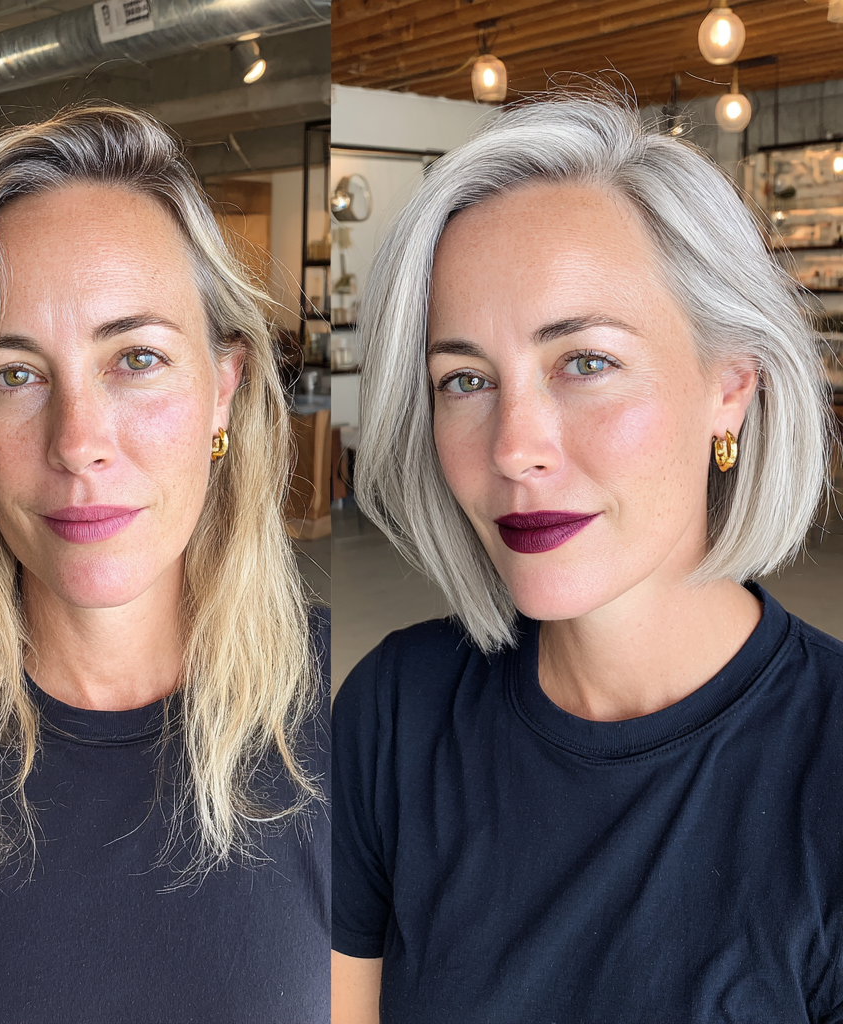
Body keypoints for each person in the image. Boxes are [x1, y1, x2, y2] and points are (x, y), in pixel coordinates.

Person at [331, 94, 843, 1024]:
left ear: (731, 385)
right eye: (465, 380)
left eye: (586, 362)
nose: (513, 448)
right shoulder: (392, 713)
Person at [0, 103, 329, 1024]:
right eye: (12, 374)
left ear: (224, 388)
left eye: (136, 358)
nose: (78, 442)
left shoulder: (360, 714)